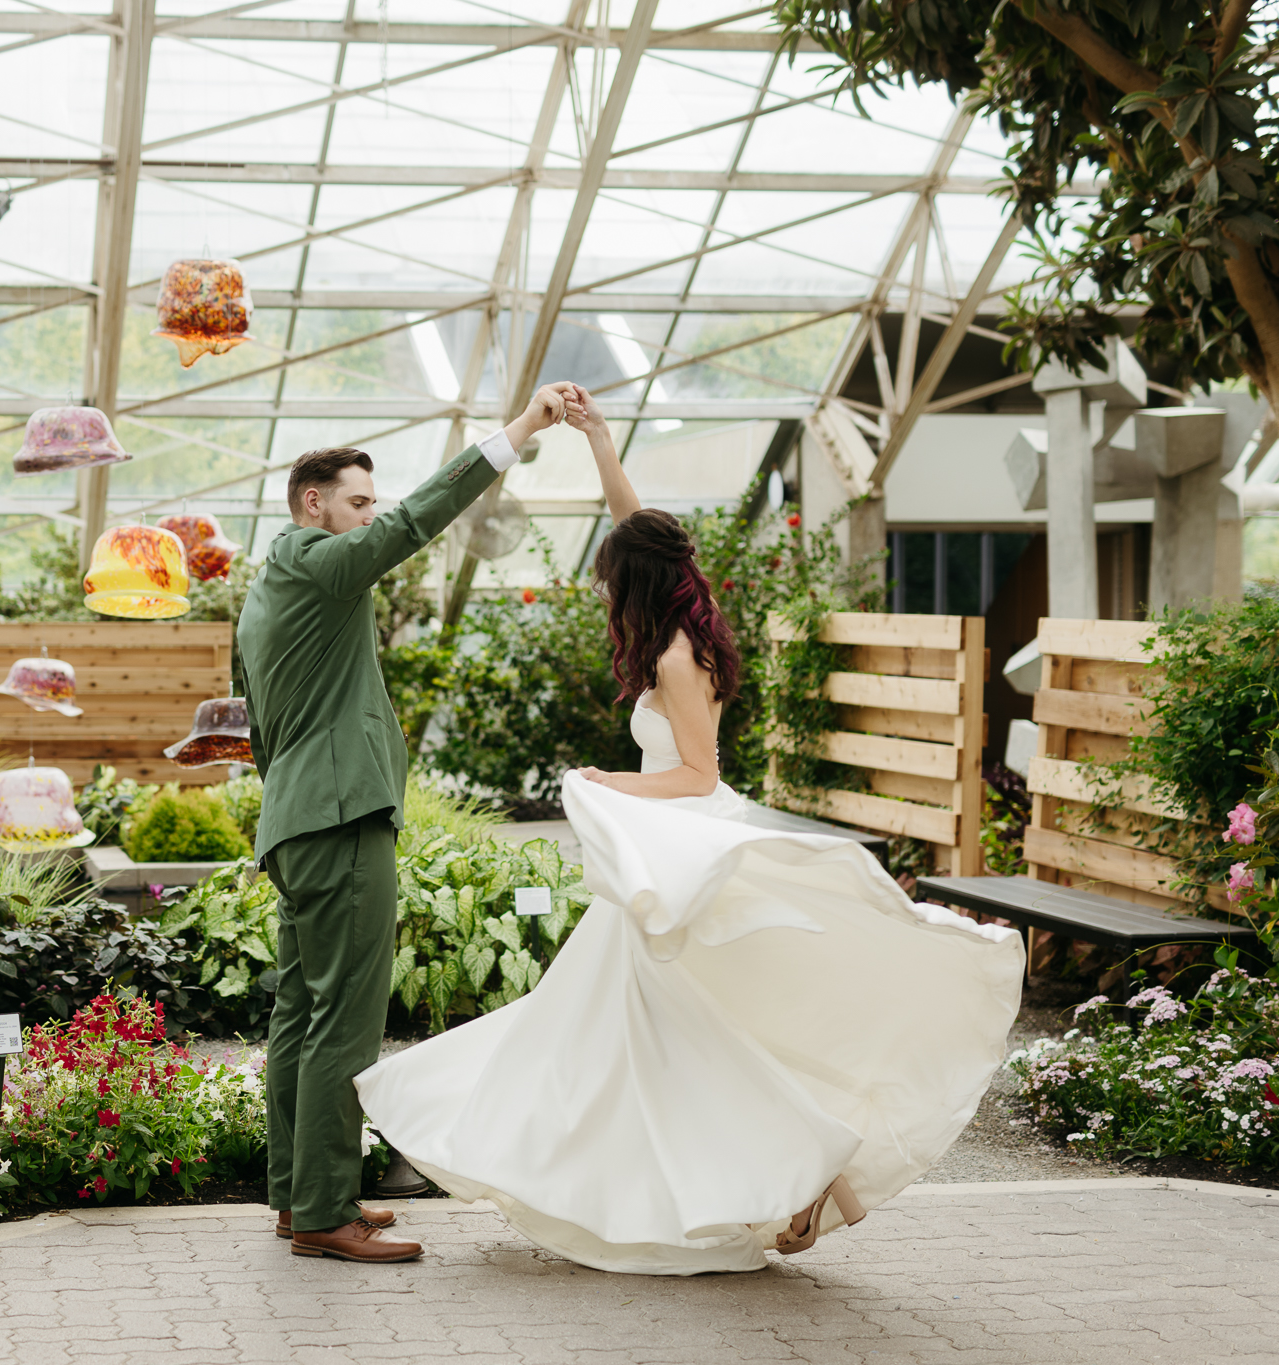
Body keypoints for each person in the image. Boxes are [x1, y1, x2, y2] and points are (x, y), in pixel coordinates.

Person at [354, 382, 1026, 1274]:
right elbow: (640, 527)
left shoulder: (676, 656)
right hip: (673, 842)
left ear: (634, 582)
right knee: (646, 1026)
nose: (603, 589)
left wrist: (607, 782)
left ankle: (798, 1168)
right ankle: (774, 1175)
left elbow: (697, 773)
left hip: (687, 842)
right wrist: (597, 440)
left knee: (670, 1028)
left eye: (608, 579)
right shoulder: (680, 609)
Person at [235, 382, 577, 1265]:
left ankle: (298, 1196)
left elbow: (262, 730)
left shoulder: (266, 589)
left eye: (370, 502)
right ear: (315, 505)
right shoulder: (318, 560)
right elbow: (415, 523)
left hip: (297, 820)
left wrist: (291, 810)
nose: (371, 515)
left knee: (301, 1013)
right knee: (344, 1020)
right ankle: (323, 1212)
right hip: (343, 818)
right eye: (358, 501)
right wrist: (518, 432)